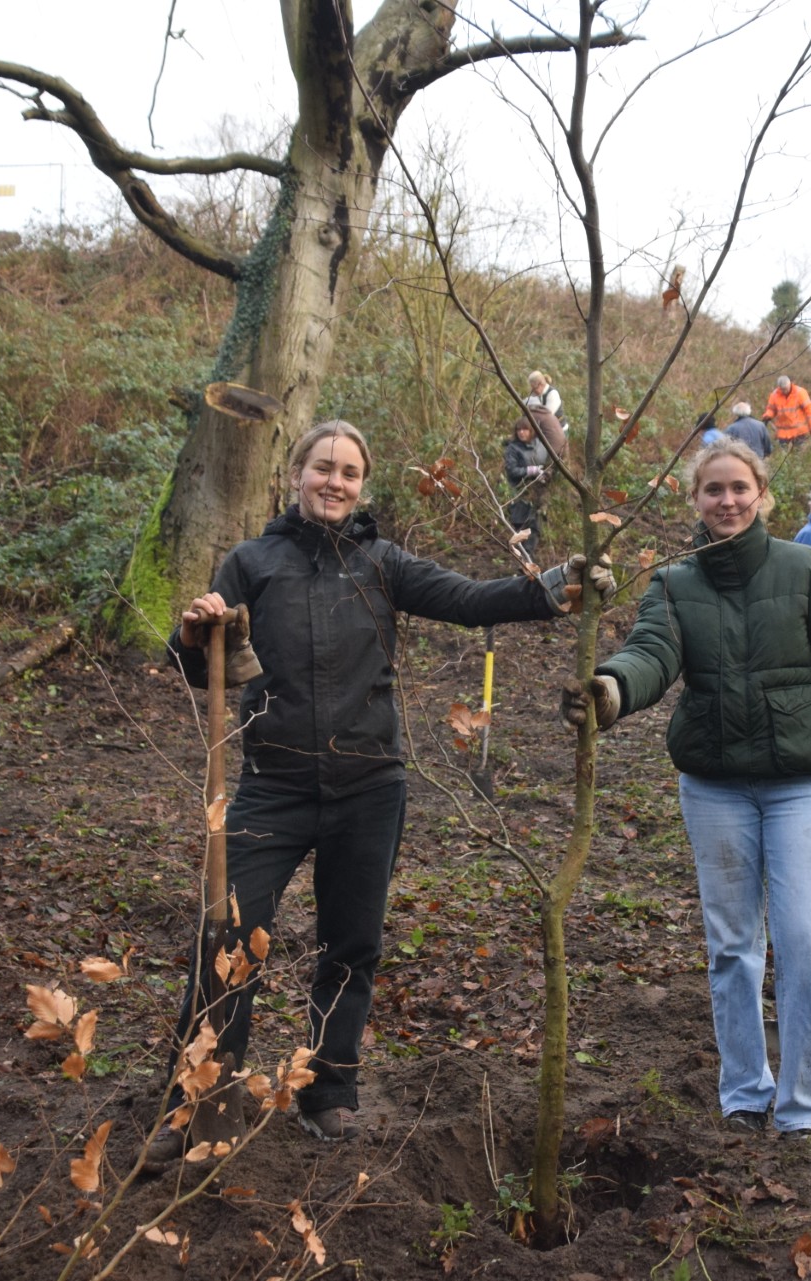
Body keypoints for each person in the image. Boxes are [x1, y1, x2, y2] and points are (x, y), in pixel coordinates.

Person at [152, 420, 612, 1160]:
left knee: (352, 943)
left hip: (369, 786)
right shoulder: (251, 562)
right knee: (227, 935)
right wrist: (191, 631)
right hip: (272, 786)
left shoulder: (382, 564)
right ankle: (193, 1100)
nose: (335, 482)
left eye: (350, 473)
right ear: (295, 473)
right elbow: (195, 667)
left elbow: (470, 598)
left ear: (363, 485)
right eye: (322, 467)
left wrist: (552, 589)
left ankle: (328, 1089)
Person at [560, 438, 811, 1137]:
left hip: (799, 784)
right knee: (733, 943)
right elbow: (652, 651)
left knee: (807, 940)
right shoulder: (676, 583)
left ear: (764, 493)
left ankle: (802, 1110)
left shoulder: (808, 573)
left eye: (740, 487)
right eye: (713, 490)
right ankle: (744, 1090)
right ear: (695, 500)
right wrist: (611, 690)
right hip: (714, 787)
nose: (728, 500)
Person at [503, 411, 551, 565]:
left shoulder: (540, 445)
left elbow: (547, 463)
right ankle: (520, 561)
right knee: (520, 525)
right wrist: (531, 470)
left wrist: (544, 474)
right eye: (519, 430)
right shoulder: (513, 448)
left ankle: (528, 561)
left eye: (525, 429)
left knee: (535, 526)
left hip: (538, 491)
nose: (522, 433)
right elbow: (512, 471)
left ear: (532, 431)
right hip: (519, 492)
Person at [761, 375, 811, 448]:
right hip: (783, 433)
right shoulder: (774, 395)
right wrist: (767, 415)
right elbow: (771, 409)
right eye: (782, 389)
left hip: (799, 432)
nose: (784, 391)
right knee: (783, 457)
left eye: (786, 389)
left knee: (798, 456)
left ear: (790, 384)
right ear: (779, 387)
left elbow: (810, 410)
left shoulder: (800, 393)